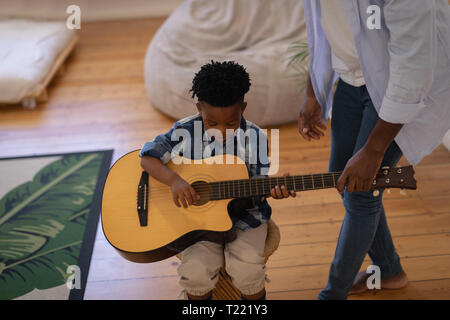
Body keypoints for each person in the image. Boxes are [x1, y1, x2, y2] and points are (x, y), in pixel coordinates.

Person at [298, 0, 450, 299]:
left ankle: (332, 295)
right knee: (343, 178)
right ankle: (390, 271)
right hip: (352, 77)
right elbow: (325, 27)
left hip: (405, 82)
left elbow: (413, 69)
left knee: (361, 192)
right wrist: (314, 91)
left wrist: (374, 149)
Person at [139, 60, 296, 300]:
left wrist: (273, 189)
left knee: (248, 271)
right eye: (212, 123)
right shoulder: (185, 130)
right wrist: (175, 181)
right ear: (199, 108)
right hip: (196, 222)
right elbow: (147, 159)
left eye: (231, 124)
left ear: (242, 108)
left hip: (246, 217)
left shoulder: (255, 137)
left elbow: (257, 186)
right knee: (194, 273)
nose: (221, 132)